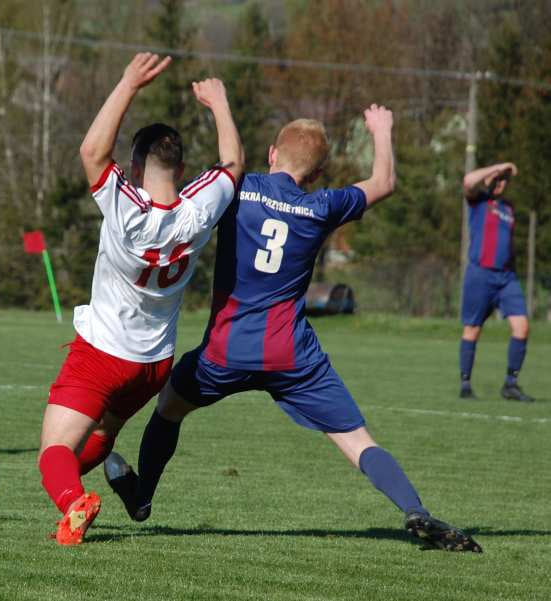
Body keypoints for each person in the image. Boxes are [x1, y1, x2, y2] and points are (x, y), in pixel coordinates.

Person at [105, 106, 483, 552]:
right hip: (292, 355)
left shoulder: (238, 188)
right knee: (355, 440)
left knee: (169, 407)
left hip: (226, 352)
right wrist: (382, 130)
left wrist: (218, 108)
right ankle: (414, 510)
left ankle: (143, 496)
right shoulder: (321, 205)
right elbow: (384, 183)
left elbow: (193, 192)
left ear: (271, 154)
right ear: (318, 171)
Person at [38, 53, 244, 546]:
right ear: (180, 166)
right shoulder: (200, 210)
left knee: (53, 451)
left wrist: (128, 81)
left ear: (134, 165)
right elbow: (233, 164)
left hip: (102, 355)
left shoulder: (127, 208)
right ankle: (80, 501)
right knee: (100, 438)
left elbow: (91, 151)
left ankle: (74, 502)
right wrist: (219, 104)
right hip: (152, 365)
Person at [458, 162, 533, 402]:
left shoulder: (509, 208)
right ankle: (466, 384)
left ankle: (511, 384)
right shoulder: (478, 201)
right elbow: (468, 181)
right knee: (472, 329)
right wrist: (499, 167)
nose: (501, 183)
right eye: (498, 179)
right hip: (480, 274)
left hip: (506, 277)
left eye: (504, 180)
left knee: (522, 327)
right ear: (489, 179)